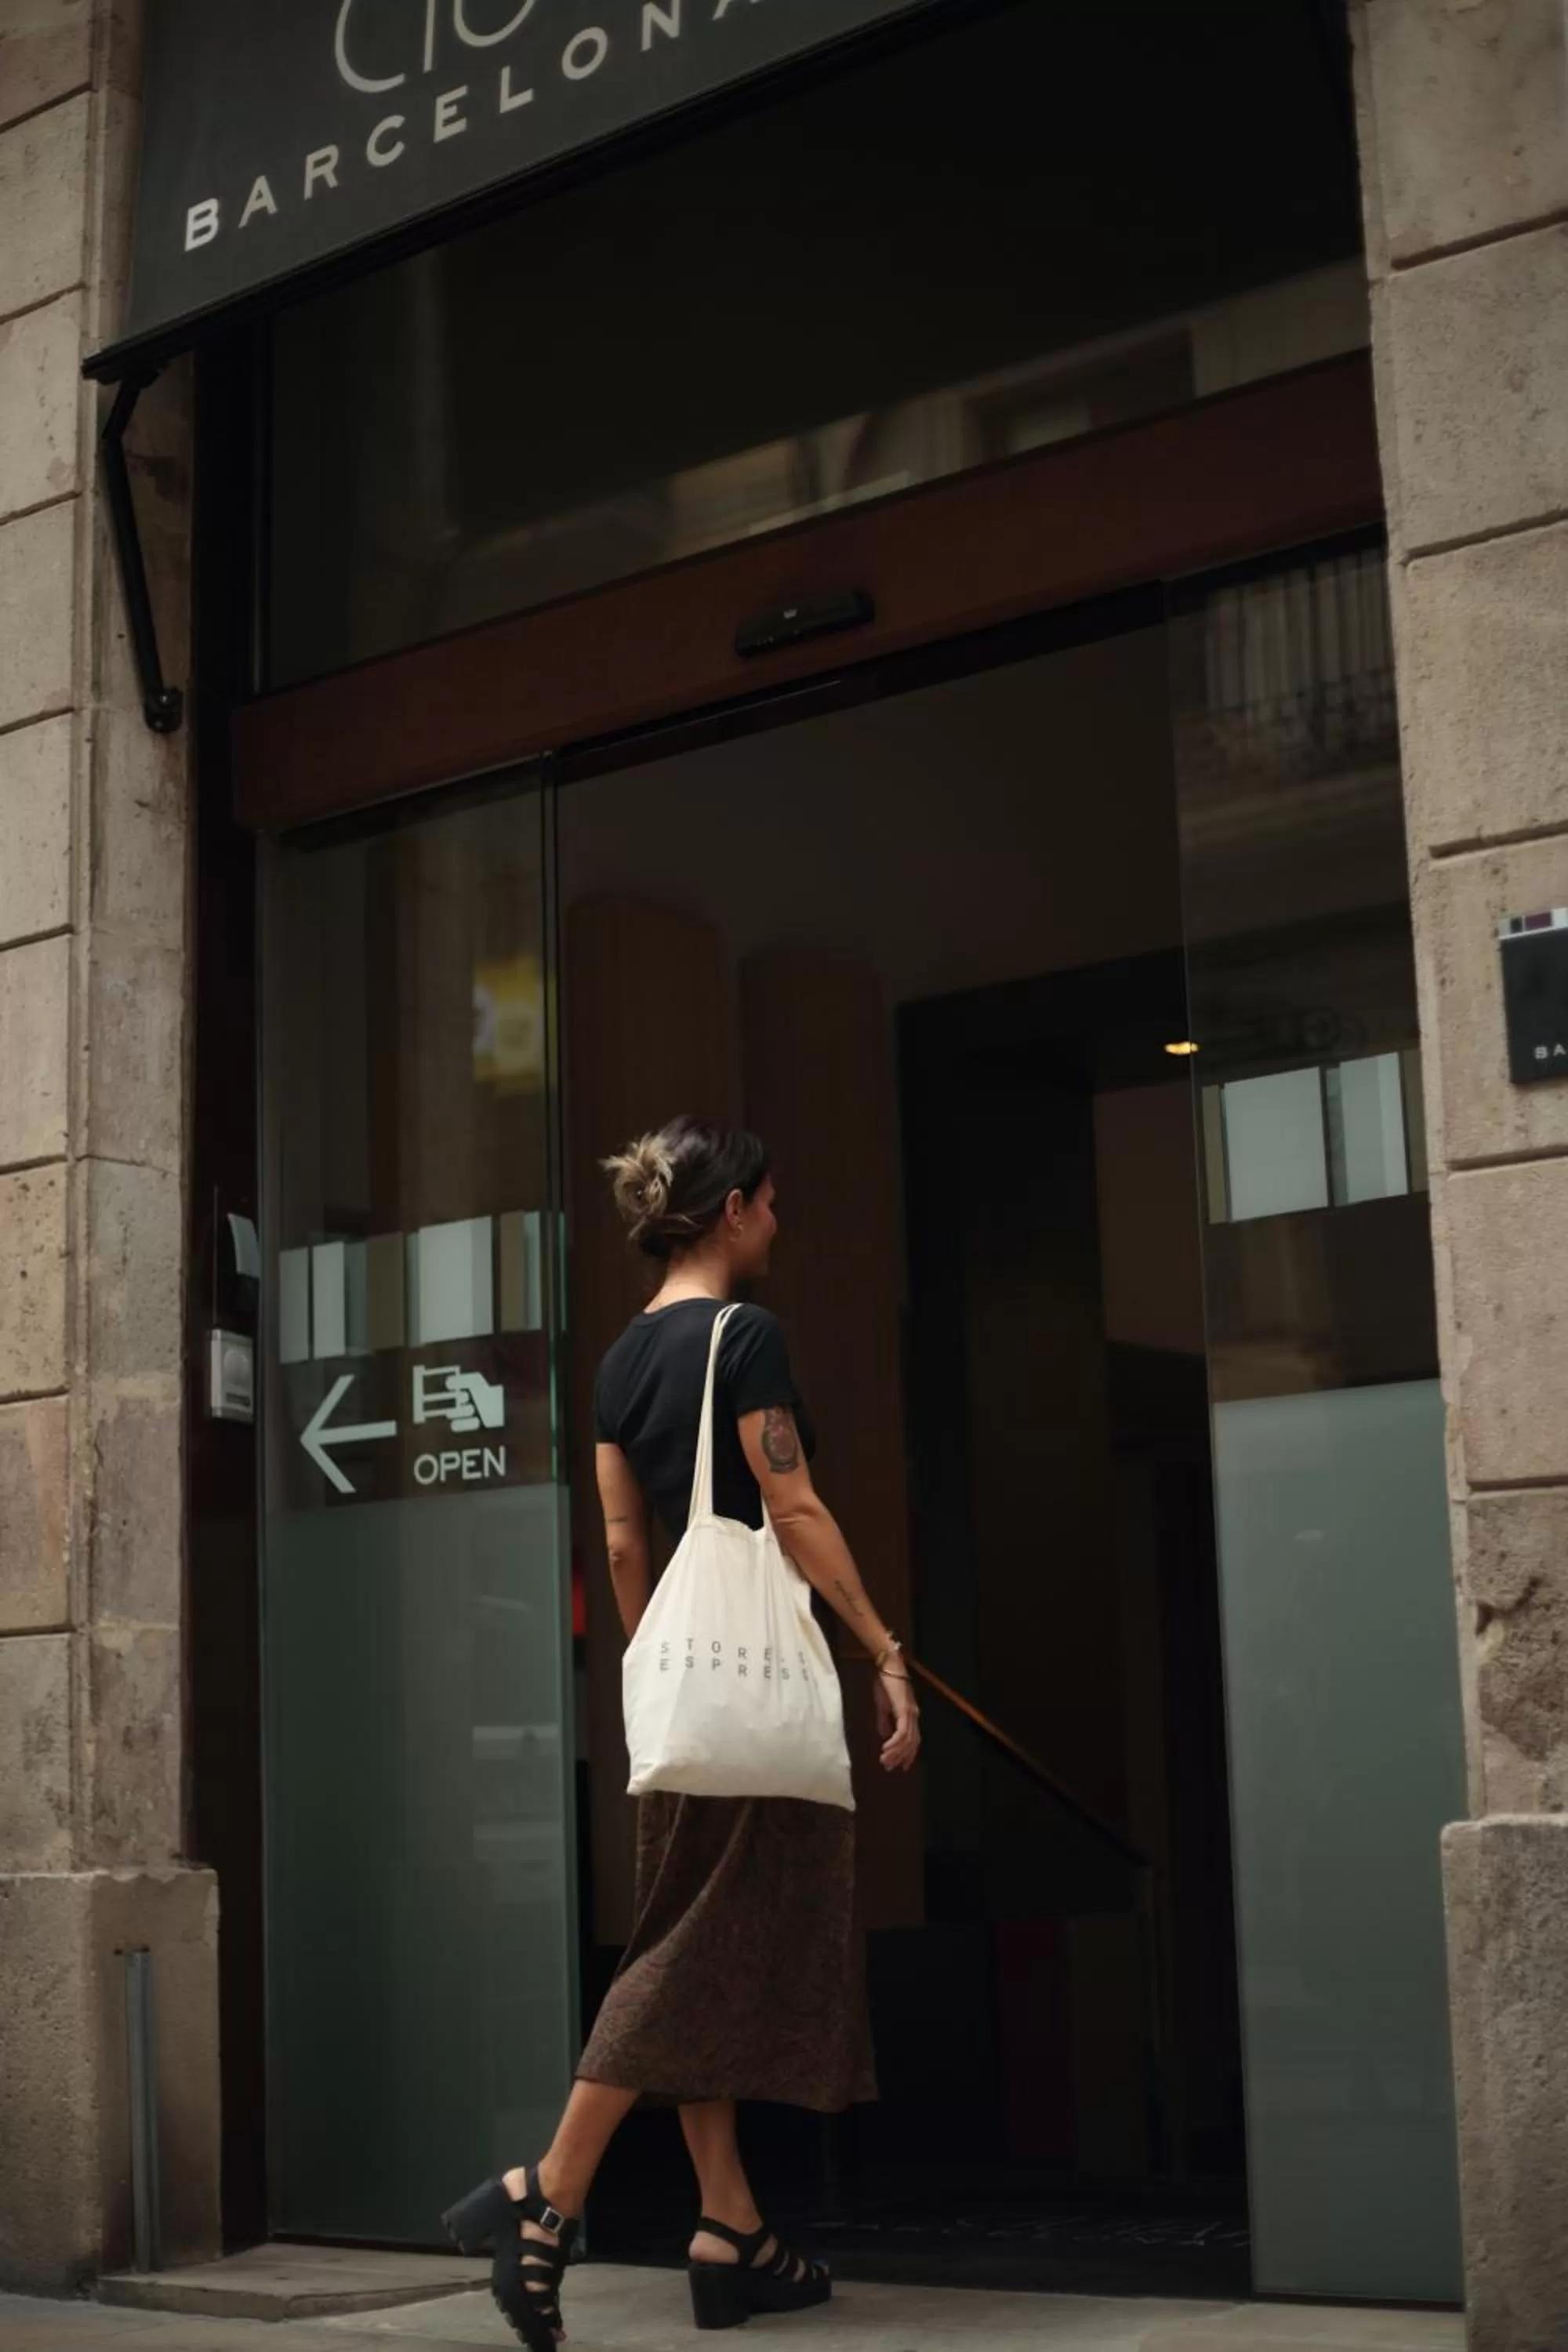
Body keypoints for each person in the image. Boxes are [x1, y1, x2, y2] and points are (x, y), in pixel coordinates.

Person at [443, 1116, 920, 2345]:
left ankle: (727, 2227)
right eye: (769, 1203)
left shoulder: (613, 1363)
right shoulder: (744, 1336)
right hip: (751, 1708)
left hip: (676, 1698)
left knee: (686, 1943)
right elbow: (794, 1505)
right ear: (731, 1213)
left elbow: (617, 1545)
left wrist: (665, 1666)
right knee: (682, 1959)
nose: (778, 1221)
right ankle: (544, 2197)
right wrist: (884, 1651)